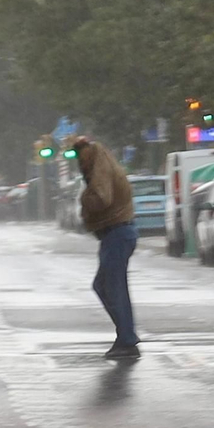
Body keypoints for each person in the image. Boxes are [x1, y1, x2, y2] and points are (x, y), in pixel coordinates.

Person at [68, 135, 140, 359]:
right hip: (117, 234)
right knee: (106, 285)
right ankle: (126, 336)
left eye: (79, 153)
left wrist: (84, 200)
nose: (79, 160)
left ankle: (127, 339)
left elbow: (101, 198)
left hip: (117, 234)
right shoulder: (104, 164)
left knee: (111, 286)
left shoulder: (100, 168)